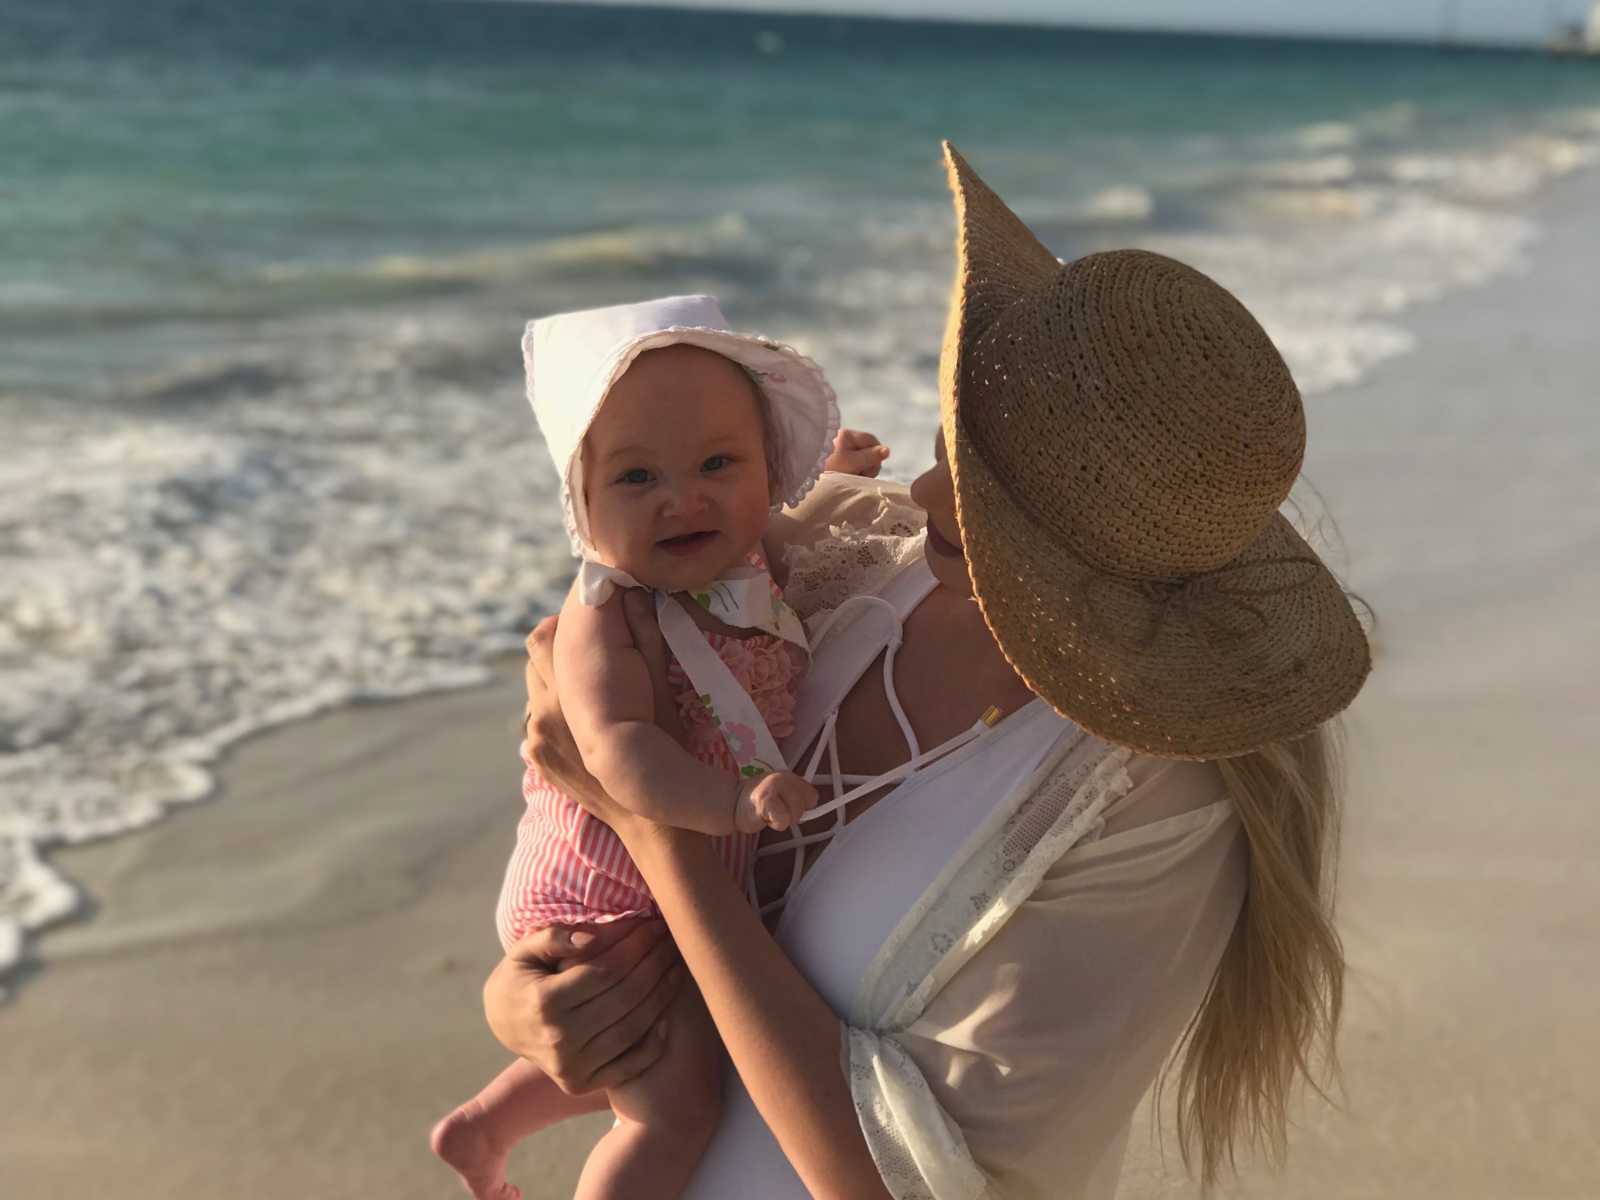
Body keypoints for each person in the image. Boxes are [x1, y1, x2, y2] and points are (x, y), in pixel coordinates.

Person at [487, 143, 1372, 1198]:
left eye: (1000, 502)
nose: (932, 492)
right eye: (959, 443)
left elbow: (900, 1181)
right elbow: (582, 815)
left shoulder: (1151, 804)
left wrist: (658, 838)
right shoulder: (860, 558)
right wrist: (537, 1001)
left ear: (1110, 543)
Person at [432, 295, 850, 1200]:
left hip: (666, 873)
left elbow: (805, 526)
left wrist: (844, 478)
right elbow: (615, 751)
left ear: (767, 468)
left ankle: (485, 1127)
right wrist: (733, 805)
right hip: (603, 888)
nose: (684, 497)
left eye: (717, 463)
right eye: (637, 479)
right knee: (674, 1102)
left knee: (646, 1041)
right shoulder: (604, 616)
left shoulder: (742, 565)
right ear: (581, 507)